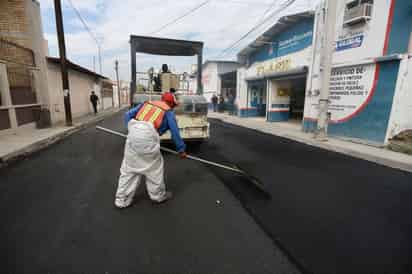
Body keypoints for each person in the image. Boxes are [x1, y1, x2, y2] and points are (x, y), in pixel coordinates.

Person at [114, 92, 187, 209]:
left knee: (129, 168)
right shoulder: (168, 111)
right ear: (170, 103)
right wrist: (181, 149)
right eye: (173, 104)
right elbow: (175, 132)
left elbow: (128, 115)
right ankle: (157, 196)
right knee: (154, 168)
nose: (173, 107)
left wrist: (134, 131)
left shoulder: (146, 104)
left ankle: (121, 200)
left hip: (133, 134)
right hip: (148, 136)